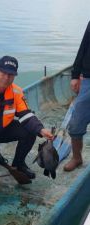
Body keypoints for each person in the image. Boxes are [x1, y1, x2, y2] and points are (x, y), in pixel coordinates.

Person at [64, 21, 90, 172]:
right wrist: (75, 75)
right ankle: (76, 157)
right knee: (76, 120)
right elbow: (83, 47)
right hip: (88, 79)